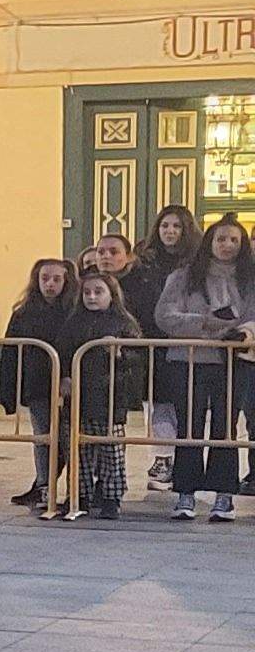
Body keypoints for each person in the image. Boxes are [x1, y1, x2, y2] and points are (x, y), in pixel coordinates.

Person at [155, 215, 253, 520]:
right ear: (209, 242)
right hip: (190, 360)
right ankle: (186, 493)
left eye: (234, 240)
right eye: (221, 239)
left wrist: (243, 331)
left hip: (235, 361)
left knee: (226, 429)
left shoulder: (250, 278)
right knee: (189, 427)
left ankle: (224, 495)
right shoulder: (184, 276)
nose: (227, 246)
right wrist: (203, 323)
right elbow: (165, 315)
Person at [0, 257, 76, 509]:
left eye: (56, 279)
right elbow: (10, 352)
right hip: (37, 384)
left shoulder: (74, 310)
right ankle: (44, 484)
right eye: (44, 278)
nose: (50, 284)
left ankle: (76, 488)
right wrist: (8, 392)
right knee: (43, 436)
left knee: (69, 437)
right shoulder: (24, 312)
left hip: (68, 385)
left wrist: (67, 375)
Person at [67, 269, 144, 520]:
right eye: (87, 292)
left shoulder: (124, 323)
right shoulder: (73, 323)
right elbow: (62, 350)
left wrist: (121, 353)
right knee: (80, 450)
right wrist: (64, 378)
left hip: (112, 397)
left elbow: (138, 358)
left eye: (98, 291)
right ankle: (79, 494)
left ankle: (112, 496)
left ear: (112, 294)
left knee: (112, 450)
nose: (91, 297)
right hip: (80, 396)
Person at [135, 204, 197, 489]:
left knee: (183, 403)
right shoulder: (144, 260)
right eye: (164, 226)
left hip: (185, 340)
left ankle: (184, 461)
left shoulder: (197, 261)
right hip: (151, 340)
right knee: (157, 401)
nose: (169, 231)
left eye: (176, 226)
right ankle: (162, 457)